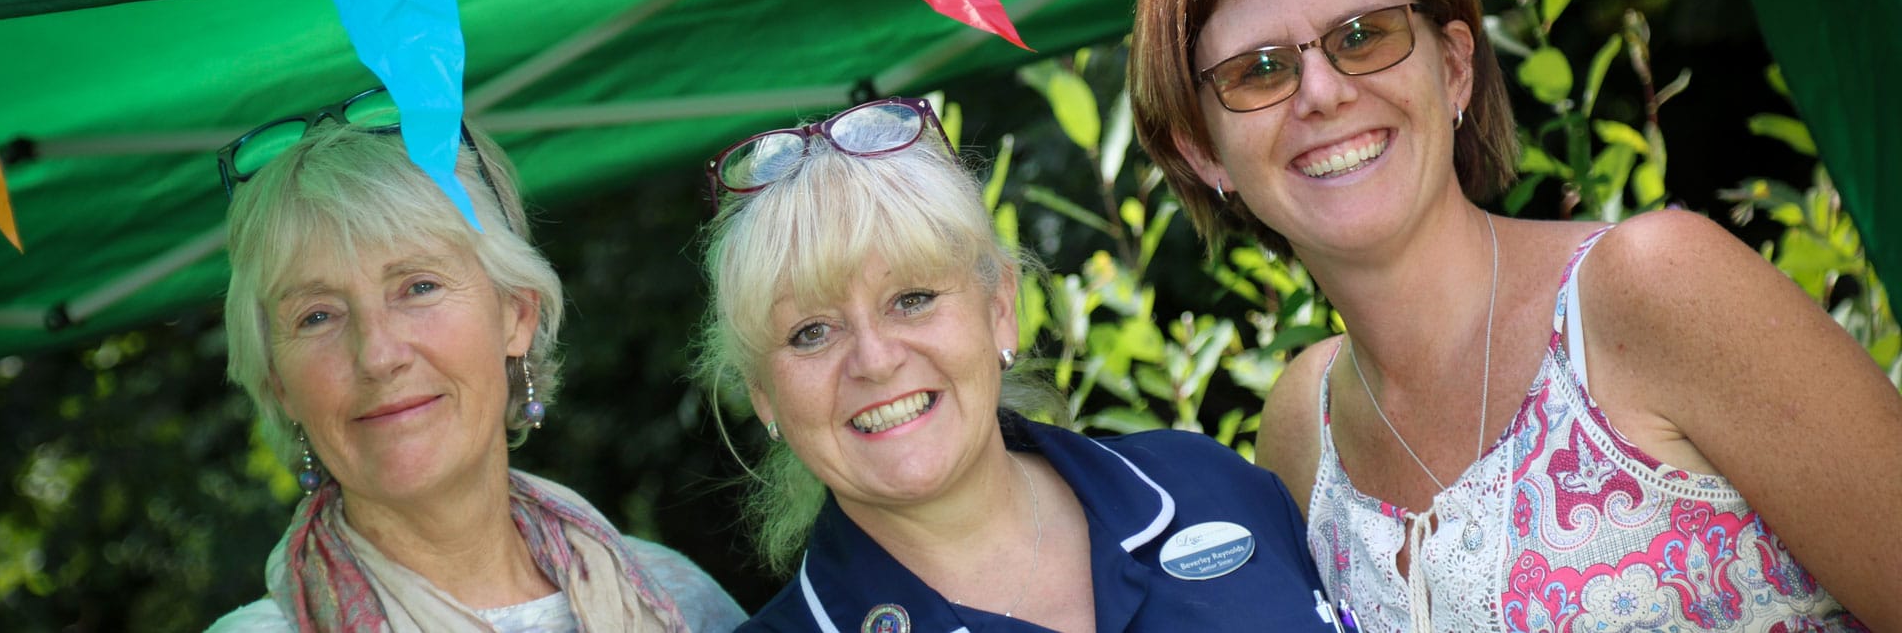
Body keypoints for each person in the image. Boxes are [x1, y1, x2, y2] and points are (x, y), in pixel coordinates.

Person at [1127, 0, 1902, 630]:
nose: (1323, 91)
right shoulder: (1304, 430)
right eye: (1259, 71)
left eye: (1365, 36)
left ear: (1456, 66)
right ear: (1202, 149)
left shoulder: (1651, 287)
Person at [692, 96, 1334, 632]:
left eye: (911, 300)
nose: (876, 359)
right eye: (811, 332)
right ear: (764, 393)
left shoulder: (1209, 486)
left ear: (1001, 307)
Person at [206, 88, 745, 631]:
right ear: (277, 382)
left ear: (516, 313)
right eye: (317, 316)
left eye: (418, 286)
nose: (377, 355)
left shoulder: (676, 601)